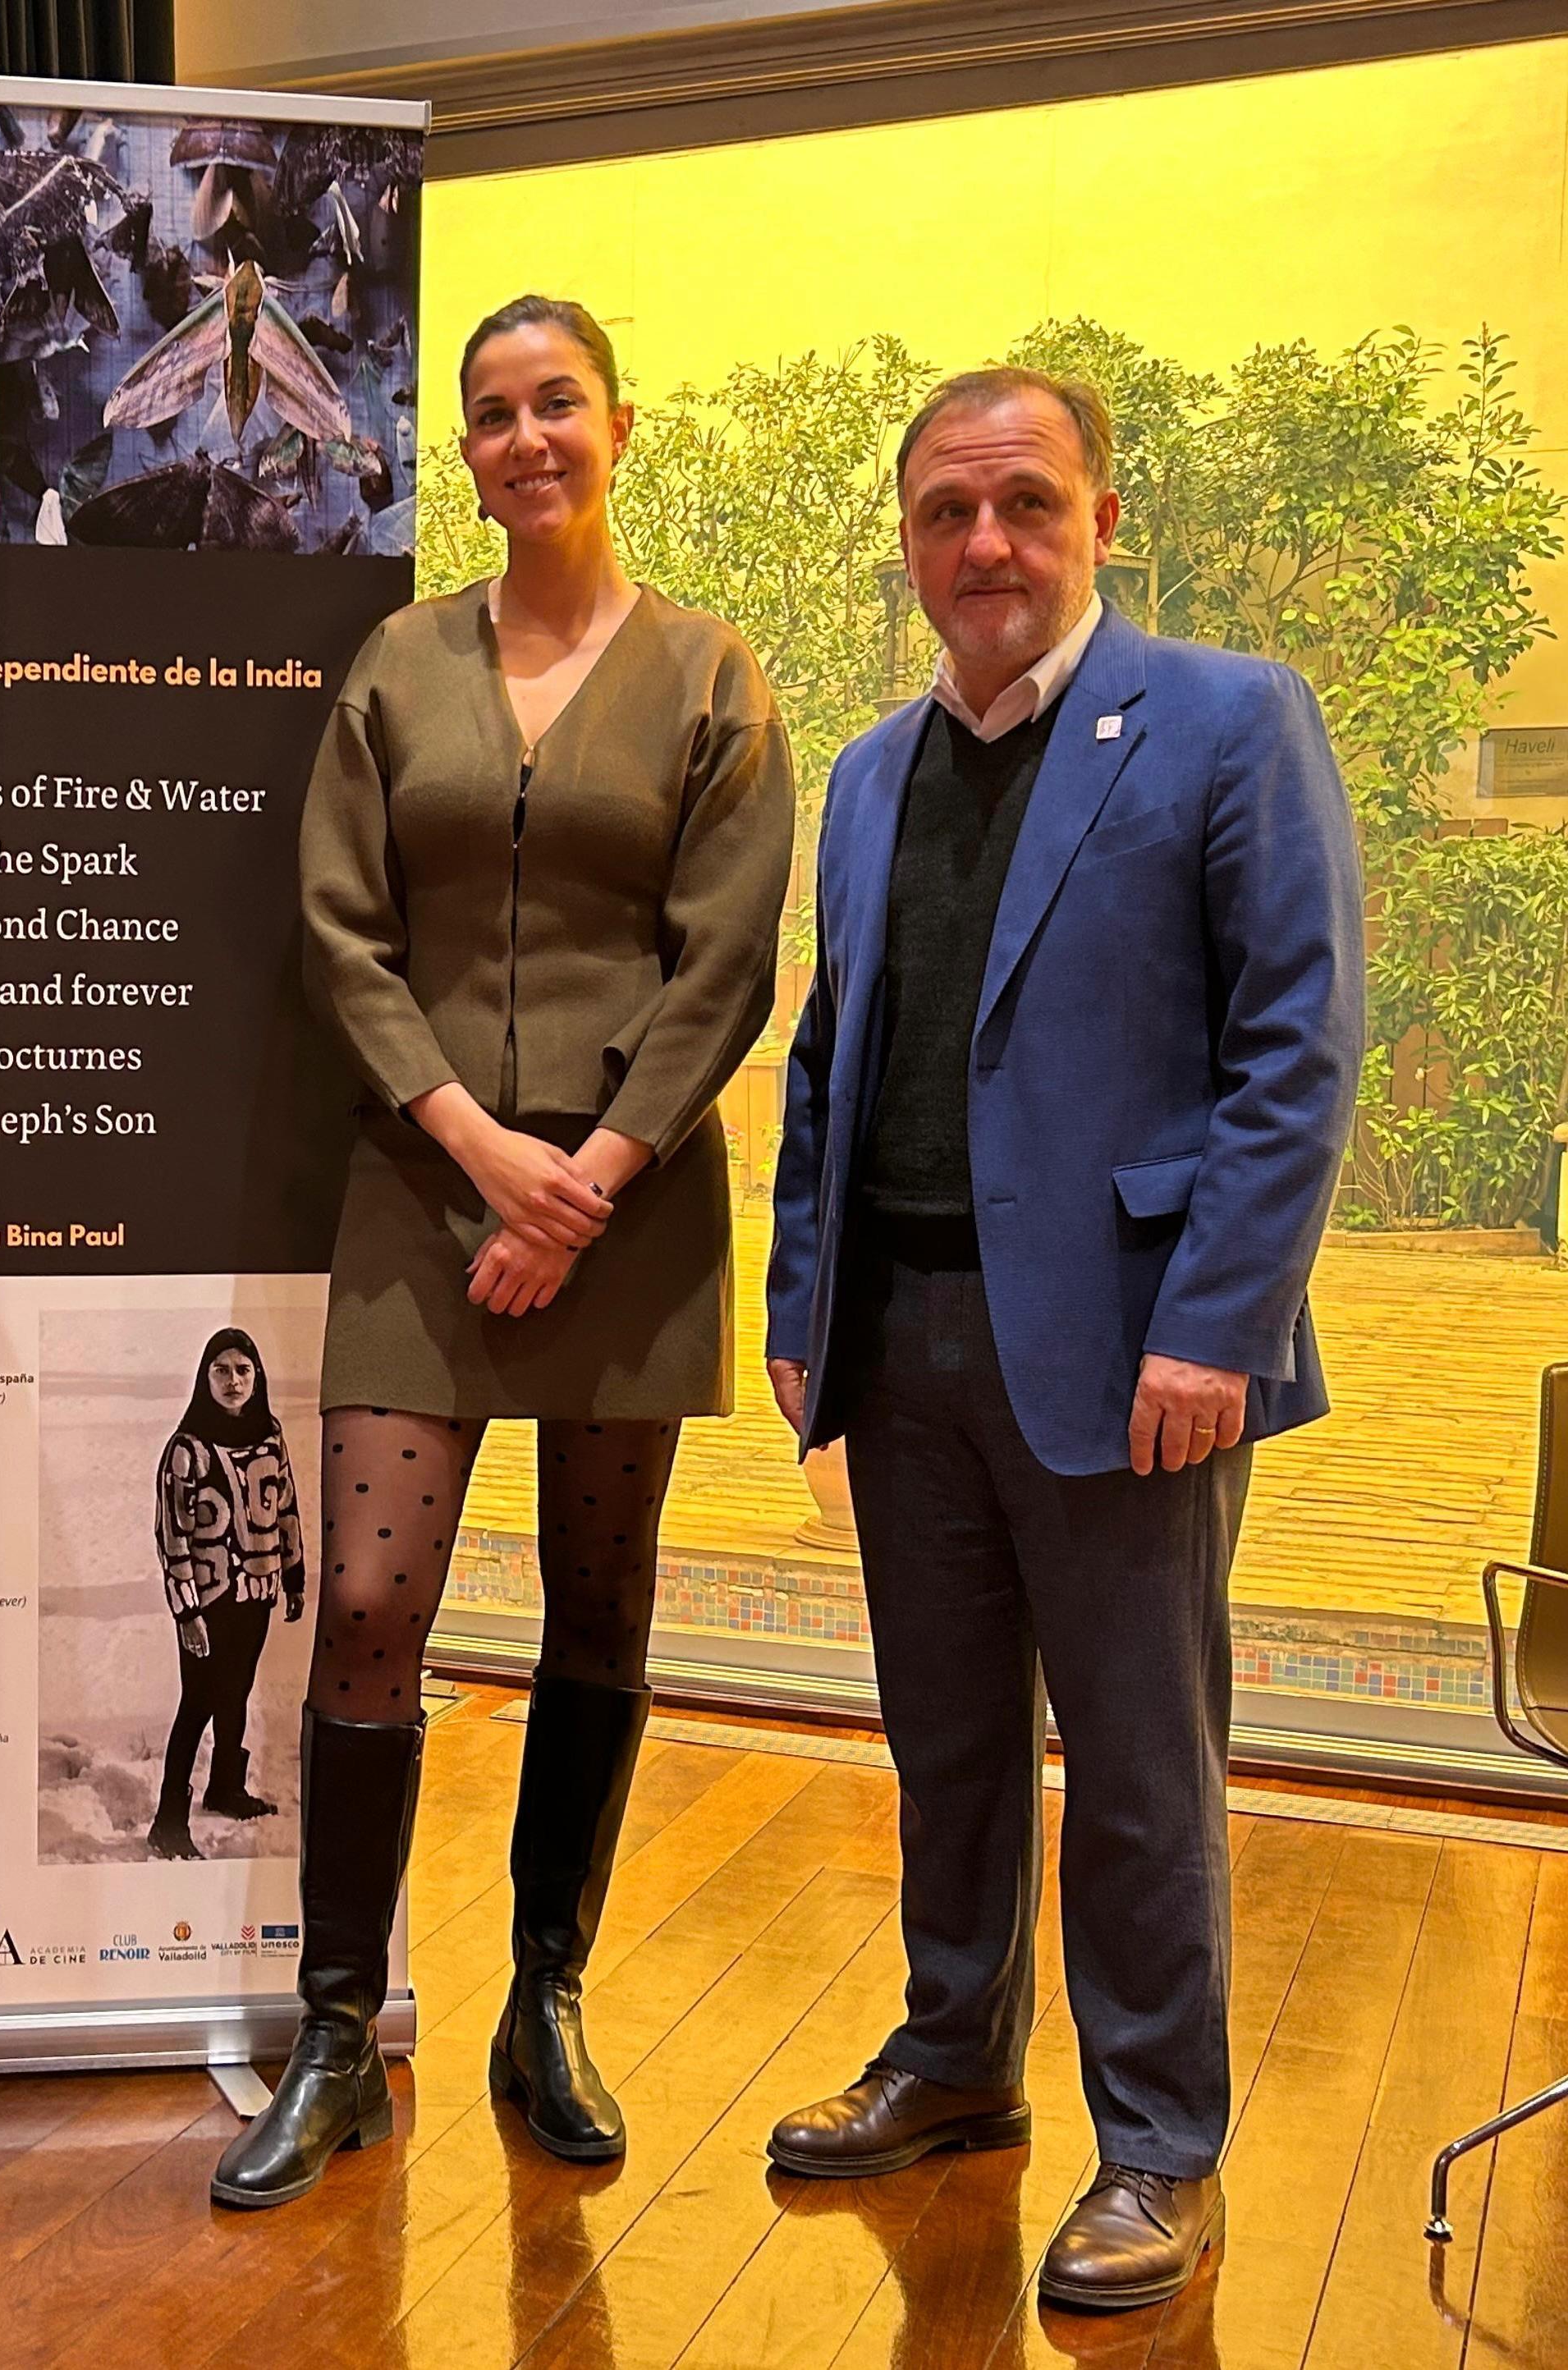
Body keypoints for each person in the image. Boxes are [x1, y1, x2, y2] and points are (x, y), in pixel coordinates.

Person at [763, 368, 1362, 2311]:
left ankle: (1160, 2144)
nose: (984, 542)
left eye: (1024, 501)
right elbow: (827, 1057)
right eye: (945, 511)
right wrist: (800, 1302)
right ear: (908, 544)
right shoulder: (869, 773)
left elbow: (1295, 1047)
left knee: (1132, 1764)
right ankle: (953, 2055)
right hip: (901, 1340)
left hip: (1130, 1356)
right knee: (942, 1741)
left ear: (1100, 517)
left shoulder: (1225, 719)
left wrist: (1216, 1322)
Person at [214, 296, 795, 2210]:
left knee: (597, 1606)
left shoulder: (712, 675)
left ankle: (545, 2001)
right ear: (459, 451)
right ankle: (332, 2034)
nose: (526, 435)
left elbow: (726, 957)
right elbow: (339, 927)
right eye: (490, 412)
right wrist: (477, 1148)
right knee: (371, 1600)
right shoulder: (395, 665)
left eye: (558, 402)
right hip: (419, 1187)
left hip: (632, 1205)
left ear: (620, 424)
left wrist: (589, 1179)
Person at [148, 1328, 305, 1860]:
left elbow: (286, 1507)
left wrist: (293, 1575)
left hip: (256, 1592)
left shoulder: (270, 1435)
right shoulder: (186, 1450)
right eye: (221, 1370)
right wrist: (186, 1610)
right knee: (197, 1703)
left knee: (236, 1692)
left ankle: (226, 1787)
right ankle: (169, 1820)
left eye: (243, 1370)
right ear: (205, 1377)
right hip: (208, 1600)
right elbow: (171, 1534)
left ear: (257, 1375)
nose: (233, 1381)